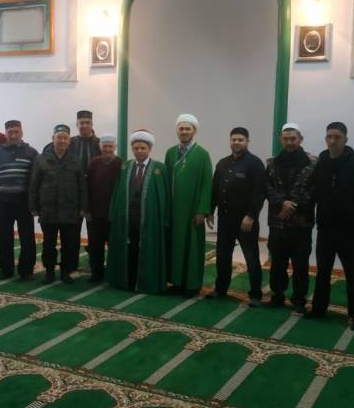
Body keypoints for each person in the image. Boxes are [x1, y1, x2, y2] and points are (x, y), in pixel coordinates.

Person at [306, 122, 354, 331]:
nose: (333, 141)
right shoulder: (322, 162)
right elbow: (312, 191)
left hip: (351, 231)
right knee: (323, 272)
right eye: (329, 137)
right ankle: (319, 309)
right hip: (326, 229)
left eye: (337, 137)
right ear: (326, 139)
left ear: (345, 139)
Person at [206, 127, 266, 306]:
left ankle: (255, 295)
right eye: (234, 139)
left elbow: (259, 192)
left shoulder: (255, 163)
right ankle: (220, 289)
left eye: (240, 139)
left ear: (247, 141)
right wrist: (210, 210)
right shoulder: (222, 163)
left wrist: (251, 216)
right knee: (222, 256)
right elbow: (215, 189)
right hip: (225, 219)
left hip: (245, 221)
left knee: (251, 258)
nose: (236, 142)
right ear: (230, 141)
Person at [107, 130, 169, 294]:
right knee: (130, 248)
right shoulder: (125, 167)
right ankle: (128, 281)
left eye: (143, 148)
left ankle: (146, 282)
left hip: (149, 219)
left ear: (149, 149)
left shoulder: (159, 168)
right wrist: (114, 213)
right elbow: (117, 192)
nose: (139, 151)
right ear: (132, 149)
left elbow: (165, 196)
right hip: (128, 218)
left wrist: (165, 218)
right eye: (136, 148)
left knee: (146, 249)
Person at [266, 123, 317, 313]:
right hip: (278, 222)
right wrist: (282, 203)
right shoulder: (272, 163)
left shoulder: (313, 163)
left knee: (300, 263)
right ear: (281, 140)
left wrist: (292, 205)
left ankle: (299, 299)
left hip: (301, 223)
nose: (289, 142)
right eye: (286, 139)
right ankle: (277, 295)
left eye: (293, 139)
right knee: (277, 262)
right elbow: (267, 187)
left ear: (300, 139)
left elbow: (314, 190)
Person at [29, 124, 87, 285]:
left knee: (69, 244)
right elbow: (34, 184)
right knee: (49, 244)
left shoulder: (76, 160)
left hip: (70, 209)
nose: (62, 141)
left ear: (69, 141)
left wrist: (83, 207)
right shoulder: (41, 159)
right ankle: (49, 271)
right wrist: (33, 206)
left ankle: (66, 272)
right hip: (48, 210)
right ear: (52, 139)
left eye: (65, 138)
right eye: (59, 137)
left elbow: (82, 186)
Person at [165, 114, 213, 296]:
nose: (184, 132)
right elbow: (166, 182)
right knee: (176, 246)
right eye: (181, 128)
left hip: (193, 211)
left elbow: (207, 184)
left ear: (194, 131)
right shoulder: (170, 153)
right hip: (174, 211)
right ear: (177, 130)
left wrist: (202, 210)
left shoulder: (202, 154)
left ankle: (192, 285)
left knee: (192, 247)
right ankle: (177, 282)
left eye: (188, 128)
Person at [0, 120, 38, 281]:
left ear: (22, 133)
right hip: (2, 202)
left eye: (16, 132)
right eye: (10, 132)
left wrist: (35, 203)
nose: (14, 135)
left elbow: (36, 180)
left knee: (27, 238)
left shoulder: (32, 152)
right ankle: (6, 268)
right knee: (3, 237)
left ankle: (26, 270)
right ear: (6, 134)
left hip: (24, 203)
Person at [86, 134, 122, 282]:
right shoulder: (94, 163)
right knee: (95, 246)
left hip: (113, 213)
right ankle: (97, 273)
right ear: (100, 147)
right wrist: (87, 209)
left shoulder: (121, 164)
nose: (107, 149)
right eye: (104, 146)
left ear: (115, 147)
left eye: (110, 146)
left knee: (114, 245)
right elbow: (87, 187)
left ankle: (114, 273)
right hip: (94, 214)